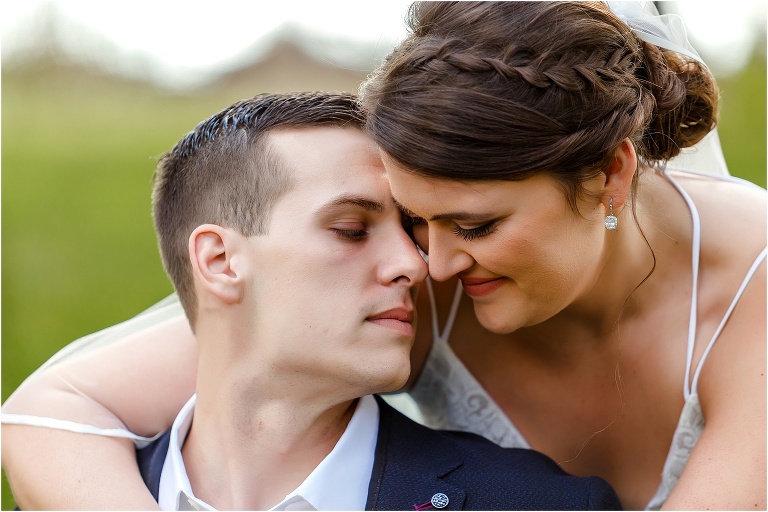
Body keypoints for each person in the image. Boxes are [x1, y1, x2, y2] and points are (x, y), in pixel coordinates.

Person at [2, 2, 765, 510]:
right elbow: (51, 414)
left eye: (475, 225)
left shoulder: (753, 289)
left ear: (611, 174)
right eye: (414, 218)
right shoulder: (424, 270)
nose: (429, 264)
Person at [3, 91, 623, 511]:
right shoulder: (80, 488)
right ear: (220, 262)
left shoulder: (535, 502)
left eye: (410, 230)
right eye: (352, 230)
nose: (417, 264)